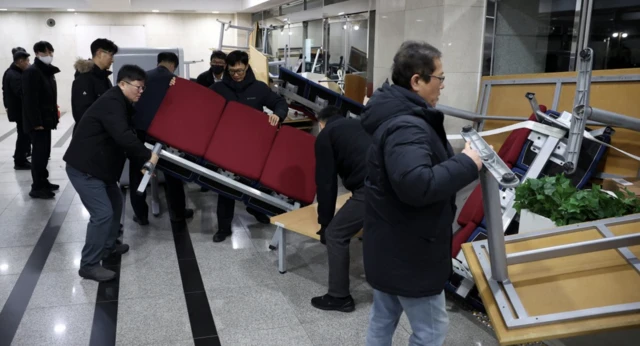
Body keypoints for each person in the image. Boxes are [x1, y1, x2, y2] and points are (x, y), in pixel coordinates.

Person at [360, 41, 482, 346]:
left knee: (382, 319)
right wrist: (468, 163)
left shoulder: (398, 114)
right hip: (411, 253)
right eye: (439, 78)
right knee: (430, 332)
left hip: (393, 244)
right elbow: (418, 184)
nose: (443, 85)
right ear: (417, 80)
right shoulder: (406, 125)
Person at [64, 64, 158, 282]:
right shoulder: (112, 103)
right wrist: (147, 157)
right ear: (122, 84)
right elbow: (123, 136)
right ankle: (88, 265)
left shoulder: (121, 102)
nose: (141, 92)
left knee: (116, 206)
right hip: (85, 169)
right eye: (138, 87)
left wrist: (143, 161)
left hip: (101, 168)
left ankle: (107, 248)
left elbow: (126, 137)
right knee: (102, 214)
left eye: (143, 88)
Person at [209, 50, 288, 242]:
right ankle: (224, 227)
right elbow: (200, 102)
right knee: (225, 186)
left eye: (240, 71)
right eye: (233, 71)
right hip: (227, 147)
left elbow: (279, 103)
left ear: (247, 67)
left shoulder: (259, 88)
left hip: (253, 146)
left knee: (255, 183)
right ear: (227, 68)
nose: (236, 75)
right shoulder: (218, 89)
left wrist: (277, 114)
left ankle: (257, 209)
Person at [310, 106, 371, 313]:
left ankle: (339, 297)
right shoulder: (359, 124)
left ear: (321, 123)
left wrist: (325, 224)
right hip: (396, 182)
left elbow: (326, 184)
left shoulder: (326, 135)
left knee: (336, 235)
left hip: (372, 187)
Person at [130, 52, 194, 225]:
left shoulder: (143, 77)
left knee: (139, 174)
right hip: (166, 135)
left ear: (158, 62)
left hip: (141, 133)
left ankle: (141, 215)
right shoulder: (177, 82)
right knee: (173, 174)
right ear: (174, 64)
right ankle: (178, 213)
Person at [22, 41, 60, 199]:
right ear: (37, 53)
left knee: (45, 153)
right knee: (38, 155)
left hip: (46, 120)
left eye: (51, 52)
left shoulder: (46, 71)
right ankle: (36, 187)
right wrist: (36, 122)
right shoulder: (33, 72)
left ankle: (43, 180)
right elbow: (30, 100)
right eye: (46, 53)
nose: (49, 56)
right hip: (38, 123)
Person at [71, 38, 119, 133]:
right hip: (90, 137)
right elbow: (82, 114)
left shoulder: (103, 77)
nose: (112, 60)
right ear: (100, 53)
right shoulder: (83, 79)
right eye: (111, 55)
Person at [3, 48, 31, 170]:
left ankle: (21, 158)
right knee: (23, 136)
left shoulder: (12, 72)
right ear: (19, 61)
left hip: (18, 110)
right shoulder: (14, 75)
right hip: (19, 111)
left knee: (23, 135)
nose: (28, 63)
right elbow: (21, 92)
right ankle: (19, 161)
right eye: (27, 61)